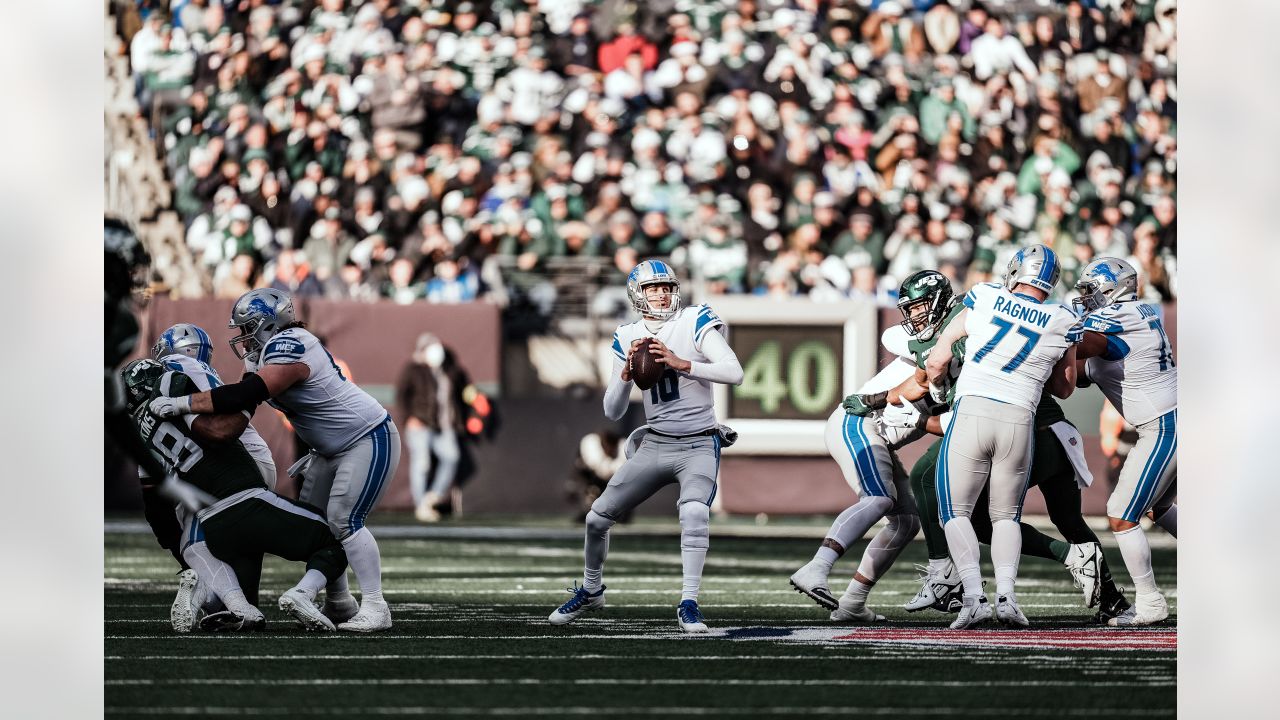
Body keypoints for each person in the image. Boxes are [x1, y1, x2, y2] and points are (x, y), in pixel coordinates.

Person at [848, 269, 1128, 622]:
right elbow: (921, 380)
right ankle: (1114, 601)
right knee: (1068, 519)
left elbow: (950, 396)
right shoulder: (1025, 313)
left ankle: (944, 572)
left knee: (943, 490)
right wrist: (876, 399)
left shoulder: (978, 312)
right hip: (1052, 432)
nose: (916, 318)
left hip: (1021, 426)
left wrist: (918, 420)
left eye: (920, 308)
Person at [147, 288, 400, 632]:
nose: (244, 338)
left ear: (269, 324)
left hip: (366, 436)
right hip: (326, 450)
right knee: (318, 524)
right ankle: (339, 602)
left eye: (248, 327)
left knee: (343, 520)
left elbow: (247, 393)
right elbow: (239, 411)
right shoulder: (259, 357)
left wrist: (183, 404)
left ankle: (375, 605)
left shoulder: (294, 341)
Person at [548, 260, 743, 632]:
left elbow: (734, 372)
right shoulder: (628, 334)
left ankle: (689, 602)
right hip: (655, 443)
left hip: (698, 443)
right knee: (596, 517)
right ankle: (591, 590)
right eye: (653, 289)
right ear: (637, 295)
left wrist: (683, 363)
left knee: (695, 515)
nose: (661, 294)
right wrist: (624, 379)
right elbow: (612, 409)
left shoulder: (695, 320)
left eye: (666, 287)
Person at [122, 358, 349, 632]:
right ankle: (302, 593)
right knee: (337, 540)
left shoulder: (139, 441)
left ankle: (236, 606)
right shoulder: (169, 383)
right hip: (246, 500)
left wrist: (181, 557)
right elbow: (220, 428)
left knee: (240, 602)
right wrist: (249, 394)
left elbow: (156, 511)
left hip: (212, 525)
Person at [924, 246, 1082, 629]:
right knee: (1006, 516)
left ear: (1016, 272)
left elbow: (937, 359)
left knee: (954, 511)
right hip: (1019, 419)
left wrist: (936, 388)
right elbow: (1064, 389)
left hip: (974, 409)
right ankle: (1008, 598)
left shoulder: (986, 295)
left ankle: (975, 598)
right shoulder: (1064, 318)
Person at [787, 325, 925, 622]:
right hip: (858, 421)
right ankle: (817, 567)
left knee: (906, 523)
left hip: (879, 436)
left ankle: (853, 602)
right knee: (878, 499)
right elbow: (893, 336)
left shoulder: (966, 367)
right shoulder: (933, 347)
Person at [151, 323, 281, 631]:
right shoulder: (194, 370)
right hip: (239, 461)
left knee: (195, 547)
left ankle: (202, 594)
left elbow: (220, 421)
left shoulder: (178, 368)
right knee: (232, 554)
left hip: (223, 466)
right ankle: (225, 600)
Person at [1072, 257, 1177, 626]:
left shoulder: (1114, 321)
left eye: (1090, 291)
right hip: (1173, 420)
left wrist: (1048, 334)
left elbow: (1083, 347)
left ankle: (1149, 602)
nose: (1084, 298)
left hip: (1164, 426)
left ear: (1111, 289)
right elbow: (1085, 371)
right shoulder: (1138, 313)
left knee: (1120, 513)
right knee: (1158, 508)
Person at [396, 333, 471, 522]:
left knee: (452, 457)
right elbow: (402, 396)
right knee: (421, 463)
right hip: (420, 424)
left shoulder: (448, 370)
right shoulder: (413, 369)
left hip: (443, 425)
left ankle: (433, 496)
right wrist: (408, 419)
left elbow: (463, 391)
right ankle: (421, 505)